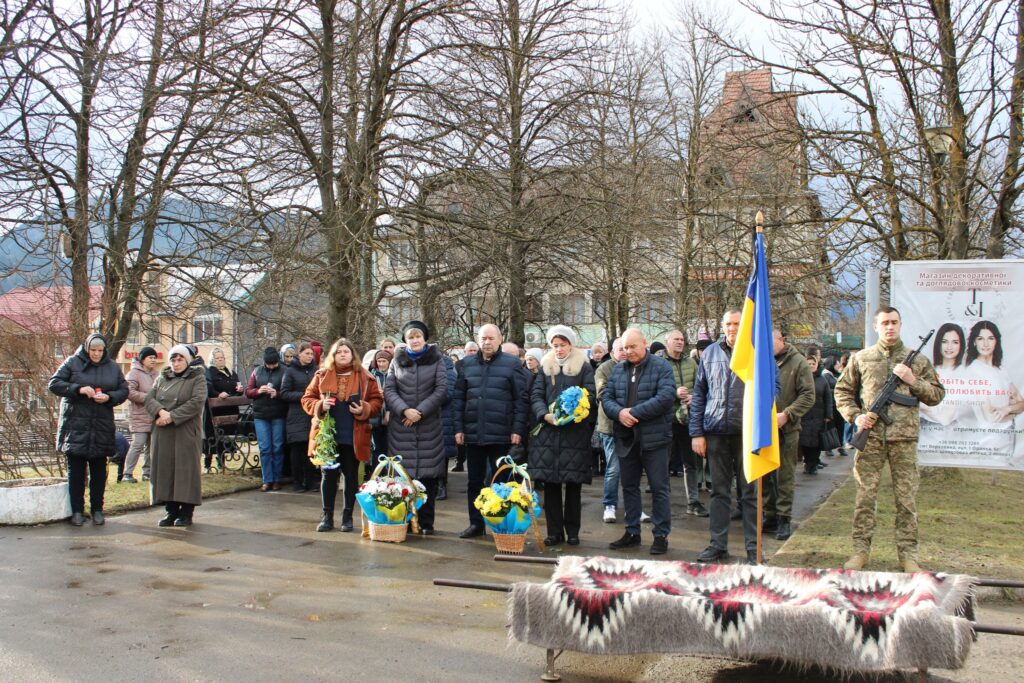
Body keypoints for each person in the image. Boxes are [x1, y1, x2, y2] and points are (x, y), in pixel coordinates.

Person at [834, 306, 944, 572]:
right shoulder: (862, 358)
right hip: (870, 440)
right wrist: (856, 417)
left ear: (900, 324)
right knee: (865, 498)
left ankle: (908, 556)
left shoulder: (916, 361)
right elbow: (842, 391)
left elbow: (936, 395)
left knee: (906, 500)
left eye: (894, 322)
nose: (890, 327)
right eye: (885, 323)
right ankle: (860, 552)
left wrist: (912, 380)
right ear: (876, 327)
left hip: (903, 440)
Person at [690, 310, 761, 565]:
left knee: (750, 493)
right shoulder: (709, 353)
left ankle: (755, 549)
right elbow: (699, 394)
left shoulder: (758, 351)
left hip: (747, 433)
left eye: (737, 324)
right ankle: (718, 545)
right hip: (716, 432)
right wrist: (696, 432)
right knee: (719, 493)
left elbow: (773, 388)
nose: (733, 328)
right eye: (729, 324)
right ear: (722, 326)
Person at [601, 328, 676, 555]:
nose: (629, 351)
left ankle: (661, 535)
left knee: (659, 488)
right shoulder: (618, 370)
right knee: (630, 486)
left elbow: (665, 398)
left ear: (644, 343)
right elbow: (606, 397)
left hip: (655, 439)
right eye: (625, 348)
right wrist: (620, 413)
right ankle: (632, 531)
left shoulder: (662, 367)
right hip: (626, 439)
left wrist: (633, 412)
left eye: (633, 346)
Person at [452, 324, 529, 539]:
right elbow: (458, 399)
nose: (487, 342)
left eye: (491, 338)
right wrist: (458, 428)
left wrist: (517, 429)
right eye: (483, 338)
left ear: (500, 340)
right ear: (478, 340)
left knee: (500, 483)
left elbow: (520, 400)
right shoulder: (466, 364)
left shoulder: (512, 364)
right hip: (473, 434)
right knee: (474, 482)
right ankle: (475, 524)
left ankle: (500, 525)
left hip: (501, 434)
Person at [301, 338, 383, 532]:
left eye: (346, 351)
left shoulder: (365, 376)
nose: (343, 354)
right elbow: (307, 399)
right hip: (328, 435)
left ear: (352, 354)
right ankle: (327, 517)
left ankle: (347, 517)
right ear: (333, 355)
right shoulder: (321, 375)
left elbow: (377, 401)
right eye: (339, 352)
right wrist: (320, 405)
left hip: (353, 435)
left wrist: (364, 408)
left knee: (351, 476)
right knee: (328, 476)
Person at [48, 334, 129, 526]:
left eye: (100, 351)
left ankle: (97, 510)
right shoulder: (72, 362)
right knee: (75, 472)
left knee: (99, 472)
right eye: (93, 350)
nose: (96, 354)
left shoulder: (112, 367)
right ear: (86, 348)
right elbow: (54, 384)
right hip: (76, 426)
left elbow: (124, 390)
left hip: (101, 426)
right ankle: (77, 510)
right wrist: (78, 389)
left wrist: (109, 397)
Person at [528, 325, 597, 546]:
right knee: (551, 487)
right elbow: (536, 395)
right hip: (548, 435)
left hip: (573, 435)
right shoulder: (545, 368)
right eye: (555, 346)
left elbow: (590, 395)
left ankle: (573, 531)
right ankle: (554, 532)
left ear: (570, 344)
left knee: (573, 485)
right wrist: (544, 414)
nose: (558, 350)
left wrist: (574, 415)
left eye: (562, 345)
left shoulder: (583, 368)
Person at [384, 321, 448, 534]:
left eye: (418, 336)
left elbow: (441, 389)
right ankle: (408, 521)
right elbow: (389, 390)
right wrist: (405, 411)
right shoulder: (396, 361)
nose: (415, 340)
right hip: (402, 427)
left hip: (428, 425)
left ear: (425, 338)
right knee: (405, 477)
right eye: (410, 337)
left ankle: (427, 523)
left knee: (428, 477)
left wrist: (419, 412)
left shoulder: (437, 360)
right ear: (405, 340)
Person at [146, 344, 208, 527]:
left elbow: (196, 402)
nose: (176, 363)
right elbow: (149, 398)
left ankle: (186, 513)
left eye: (180, 359)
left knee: (185, 472)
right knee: (167, 472)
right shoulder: (162, 378)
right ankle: (170, 511)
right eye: (173, 359)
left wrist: (172, 417)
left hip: (185, 431)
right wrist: (161, 412)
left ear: (187, 361)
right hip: (163, 432)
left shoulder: (197, 378)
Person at [762, 329, 815, 541]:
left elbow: (808, 395)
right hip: (764, 428)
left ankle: (784, 517)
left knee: (784, 475)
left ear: (781, 339)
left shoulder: (798, 362)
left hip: (787, 428)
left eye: (770, 340)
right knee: (765, 474)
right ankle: (770, 514)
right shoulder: (761, 360)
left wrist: (788, 414)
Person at [662, 329, 707, 517]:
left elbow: (702, 387)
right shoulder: (658, 364)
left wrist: (693, 397)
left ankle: (693, 502)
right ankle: (662, 501)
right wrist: (673, 393)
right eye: (676, 339)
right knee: (662, 463)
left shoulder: (692, 363)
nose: (680, 342)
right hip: (666, 420)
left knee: (691, 463)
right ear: (667, 342)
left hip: (688, 420)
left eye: (682, 339)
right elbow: (654, 389)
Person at [245, 347, 287, 491]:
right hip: (260, 415)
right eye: (269, 364)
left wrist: (278, 394)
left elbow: (288, 392)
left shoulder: (284, 371)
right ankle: (267, 480)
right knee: (265, 448)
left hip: (278, 414)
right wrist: (258, 391)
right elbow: (248, 391)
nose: (271, 366)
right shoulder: (256, 372)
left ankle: (277, 478)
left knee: (277, 447)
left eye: (274, 364)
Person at [280, 342, 319, 492]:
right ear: (300, 354)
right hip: (296, 414)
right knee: (297, 449)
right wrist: (304, 396)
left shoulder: (316, 371)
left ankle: (310, 480)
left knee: (311, 448)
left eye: (311, 354)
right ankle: (297, 481)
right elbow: (284, 393)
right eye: (307, 354)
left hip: (312, 415)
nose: (310, 356)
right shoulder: (290, 372)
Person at [595, 338, 624, 523]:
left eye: (628, 348)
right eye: (621, 349)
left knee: (633, 470)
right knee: (613, 468)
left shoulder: (635, 366)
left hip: (633, 425)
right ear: (613, 351)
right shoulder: (604, 369)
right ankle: (609, 504)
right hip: (611, 426)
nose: (625, 352)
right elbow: (602, 394)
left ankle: (633, 507)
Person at [123, 346, 159, 484]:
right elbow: (129, 392)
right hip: (139, 415)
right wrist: (148, 398)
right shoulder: (133, 373)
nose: (153, 360)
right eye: (151, 357)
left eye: (155, 358)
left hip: (154, 415)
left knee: (152, 446)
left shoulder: (156, 374)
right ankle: (127, 473)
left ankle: (147, 473)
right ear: (143, 359)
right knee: (138, 444)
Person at [206, 347, 243, 469]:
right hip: (216, 411)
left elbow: (236, 387)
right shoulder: (209, 372)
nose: (221, 360)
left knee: (227, 437)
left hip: (231, 410)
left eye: (222, 358)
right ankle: (209, 464)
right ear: (213, 359)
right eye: (218, 358)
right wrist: (218, 394)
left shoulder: (230, 372)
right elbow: (208, 388)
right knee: (213, 438)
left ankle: (222, 464)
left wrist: (239, 390)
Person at [800, 353, 834, 476]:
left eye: (813, 363)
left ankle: (813, 464)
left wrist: (828, 415)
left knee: (817, 442)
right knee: (805, 441)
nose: (811, 366)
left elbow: (828, 398)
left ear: (817, 364)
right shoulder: (802, 377)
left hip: (819, 416)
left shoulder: (822, 379)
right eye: (809, 364)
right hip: (804, 415)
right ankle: (807, 463)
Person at [450, 341, 480, 473]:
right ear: (465, 352)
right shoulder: (459, 364)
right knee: (460, 437)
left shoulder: (481, 363)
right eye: (470, 351)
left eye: (474, 351)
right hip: (462, 403)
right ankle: (459, 461)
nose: (472, 353)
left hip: (476, 405)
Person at [368, 349, 392, 464]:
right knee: (377, 447)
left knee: (390, 447)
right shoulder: (371, 376)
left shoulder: (394, 375)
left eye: (384, 361)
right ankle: (377, 475)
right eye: (379, 361)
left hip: (390, 415)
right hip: (375, 417)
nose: (381, 364)